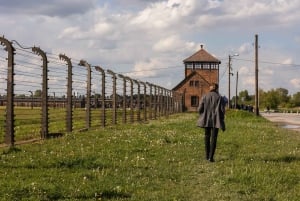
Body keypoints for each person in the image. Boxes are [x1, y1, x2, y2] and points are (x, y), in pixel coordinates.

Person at [197, 83, 226, 162]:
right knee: (214, 138)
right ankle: (211, 157)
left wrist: (203, 114)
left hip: (206, 120)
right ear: (216, 88)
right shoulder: (220, 98)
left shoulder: (204, 96)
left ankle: (207, 156)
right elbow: (222, 111)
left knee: (207, 136)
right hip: (216, 121)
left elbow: (199, 109)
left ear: (210, 88)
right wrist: (222, 119)